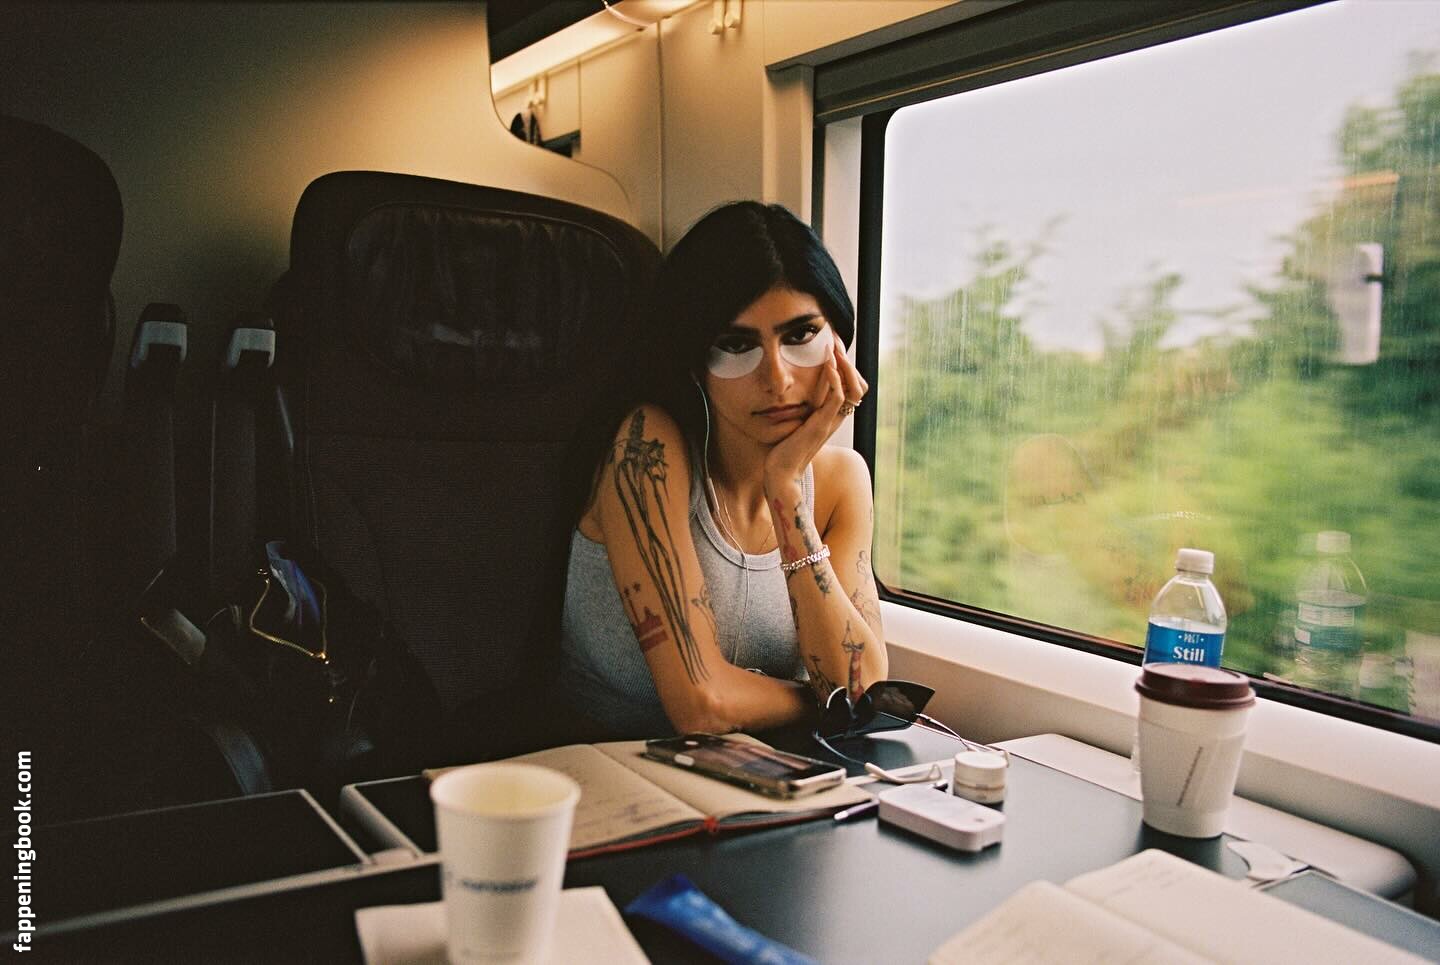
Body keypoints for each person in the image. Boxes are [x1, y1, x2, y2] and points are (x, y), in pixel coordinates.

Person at [556, 201, 886, 738]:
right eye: (736, 345)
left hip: (765, 770)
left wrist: (785, 492)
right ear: (695, 362)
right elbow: (702, 707)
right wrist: (828, 704)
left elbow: (861, 683)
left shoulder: (840, 482)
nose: (777, 379)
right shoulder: (649, 448)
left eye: (801, 336)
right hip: (605, 763)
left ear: (839, 344)